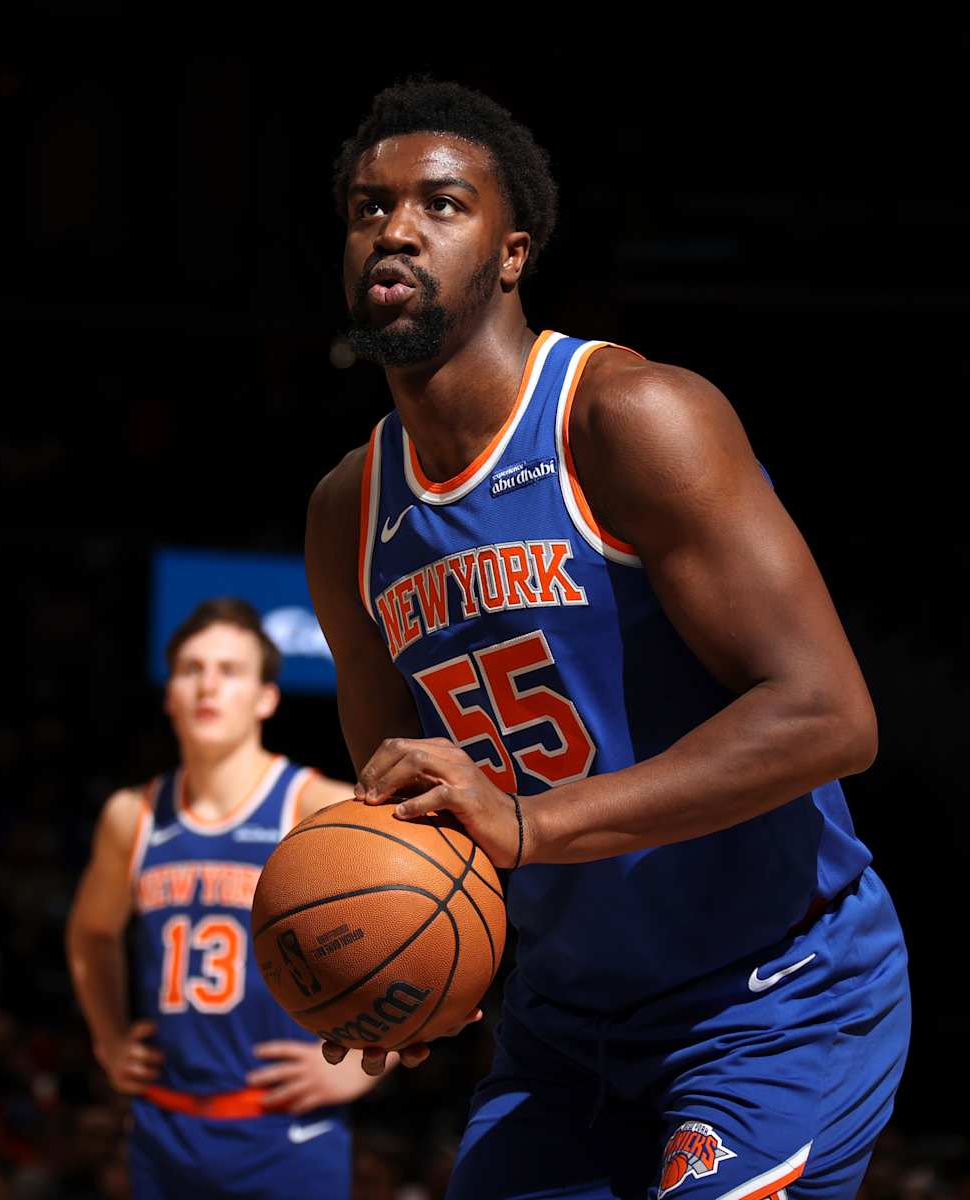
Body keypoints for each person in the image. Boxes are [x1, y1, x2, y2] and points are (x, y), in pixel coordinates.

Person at [304, 80, 913, 1200]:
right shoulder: (351, 508)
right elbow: (403, 799)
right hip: (564, 1025)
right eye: (366, 206)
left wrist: (528, 826)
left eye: (440, 205)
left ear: (510, 251)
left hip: (773, 994)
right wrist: (402, 950)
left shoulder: (627, 418)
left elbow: (831, 714)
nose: (393, 227)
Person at [65, 598, 378, 1198]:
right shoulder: (133, 816)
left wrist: (372, 1062)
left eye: (229, 671)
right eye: (191, 669)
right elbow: (91, 933)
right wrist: (107, 1037)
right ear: (169, 694)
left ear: (265, 698)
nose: (208, 685)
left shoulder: (318, 807)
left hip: (289, 1131)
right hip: (165, 1126)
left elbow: (412, 935)